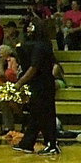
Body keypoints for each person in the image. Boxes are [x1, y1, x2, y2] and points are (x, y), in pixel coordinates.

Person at [12, 20, 60, 155]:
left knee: (46, 115)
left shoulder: (40, 47)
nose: (28, 32)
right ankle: (27, 143)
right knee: (36, 114)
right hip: (39, 83)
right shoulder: (43, 45)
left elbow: (34, 67)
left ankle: (52, 144)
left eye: (31, 29)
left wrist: (19, 83)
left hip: (42, 85)